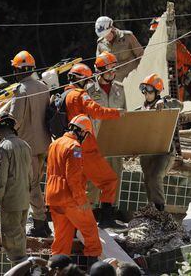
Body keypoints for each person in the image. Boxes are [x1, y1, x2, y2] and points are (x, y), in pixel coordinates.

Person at [64, 63, 125, 228]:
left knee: (81, 184)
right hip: (86, 146)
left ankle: (80, 219)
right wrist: (117, 112)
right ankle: (106, 219)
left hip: (71, 145)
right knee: (109, 180)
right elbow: (97, 111)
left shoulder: (64, 95)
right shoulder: (80, 95)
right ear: (83, 79)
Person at [46, 114, 102, 263]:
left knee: (62, 238)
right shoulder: (75, 147)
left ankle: (56, 268)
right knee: (90, 230)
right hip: (69, 198)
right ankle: (93, 268)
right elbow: (73, 177)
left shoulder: (55, 143)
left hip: (53, 196)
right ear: (82, 132)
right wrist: (81, 199)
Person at [9, 50, 52, 237]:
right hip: (44, 144)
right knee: (36, 184)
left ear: (19, 70)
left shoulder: (21, 90)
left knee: (31, 186)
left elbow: (14, 119)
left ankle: (41, 225)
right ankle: (40, 221)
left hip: (28, 146)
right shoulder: (43, 86)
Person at [0, 113, 31, 266]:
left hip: (10, 201)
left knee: (11, 239)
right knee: (20, 235)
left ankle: (19, 269)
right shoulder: (25, 145)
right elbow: (30, 175)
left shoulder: (3, 148)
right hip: (24, 200)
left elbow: (1, 179)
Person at [137, 73, 183, 211]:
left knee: (156, 176)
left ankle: (159, 209)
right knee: (148, 179)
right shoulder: (141, 110)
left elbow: (180, 105)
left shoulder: (165, 103)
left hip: (164, 151)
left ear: (157, 91)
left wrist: (165, 102)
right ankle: (152, 209)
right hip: (147, 152)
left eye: (149, 90)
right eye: (143, 89)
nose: (146, 93)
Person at [86, 51, 126, 206]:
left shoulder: (120, 89)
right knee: (93, 180)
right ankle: (92, 211)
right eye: (109, 69)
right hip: (96, 142)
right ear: (100, 70)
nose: (112, 72)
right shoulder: (89, 91)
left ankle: (109, 212)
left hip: (115, 143)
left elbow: (125, 116)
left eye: (114, 69)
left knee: (115, 177)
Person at [149, 17, 191, 101]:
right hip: (157, 86)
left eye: (156, 32)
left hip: (175, 87)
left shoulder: (175, 46)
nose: (154, 35)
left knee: (176, 109)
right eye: (153, 32)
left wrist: (183, 82)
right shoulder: (152, 48)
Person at [95, 16, 144, 82]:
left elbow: (141, 55)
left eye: (108, 34)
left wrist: (143, 73)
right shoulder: (100, 44)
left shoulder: (127, 37)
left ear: (112, 27)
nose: (106, 37)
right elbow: (98, 67)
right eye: (104, 36)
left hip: (133, 79)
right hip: (116, 84)